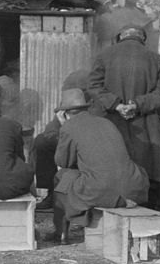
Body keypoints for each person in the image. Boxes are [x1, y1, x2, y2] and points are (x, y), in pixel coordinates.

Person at [52, 88, 150, 244]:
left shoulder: (69, 127)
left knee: (62, 177)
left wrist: (63, 126)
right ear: (87, 107)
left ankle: (61, 232)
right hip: (134, 186)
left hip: (103, 189)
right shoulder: (106, 122)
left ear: (64, 113)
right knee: (101, 175)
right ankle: (118, 200)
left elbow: (62, 162)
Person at [87, 24, 160, 188]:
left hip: (111, 121)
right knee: (143, 167)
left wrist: (116, 105)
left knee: (112, 162)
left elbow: (94, 87)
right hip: (144, 122)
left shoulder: (104, 55)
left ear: (120, 37)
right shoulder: (155, 58)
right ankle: (143, 203)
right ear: (142, 39)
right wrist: (137, 105)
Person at [29, 70, 91, 212]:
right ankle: (51, 193)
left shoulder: (95, 105)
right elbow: (53, 127)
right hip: (72, 139)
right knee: (42, 142)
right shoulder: (70, 102)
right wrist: (55, 133)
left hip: (90, 146)